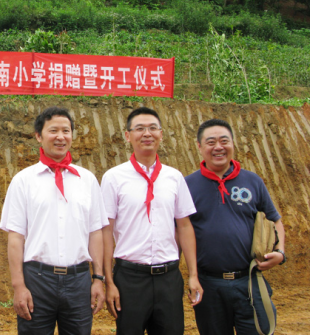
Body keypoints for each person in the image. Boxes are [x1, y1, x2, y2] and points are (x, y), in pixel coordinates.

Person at [0, 106, 109, 335]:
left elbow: (95, 233)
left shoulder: (87, 180)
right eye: (53, 131)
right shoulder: (23, 181)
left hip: (79, 280)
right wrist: (18, 285)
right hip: (37, 281)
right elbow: (16, 238)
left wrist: (98, 278)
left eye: (66, 131)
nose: (61, 137)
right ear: (39, 136)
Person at [101, 106, 203, 335]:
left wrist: (193, 275)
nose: (147, 133)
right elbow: (106, 231)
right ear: (128, 136)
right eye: (139, 128)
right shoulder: (113, 178)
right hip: (130, 279)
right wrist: (109, 282)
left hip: (169, 277)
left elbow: (184, 226)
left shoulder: (174, 177)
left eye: (152, 128)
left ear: (161, 134)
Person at [185, 118, 286, 335]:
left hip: (249, 280)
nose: (218, 147)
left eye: (224, 141)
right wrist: (191, 275)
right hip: (208, 284)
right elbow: (181, 231)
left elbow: (274, 219)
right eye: (211, 142)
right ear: (199, 147)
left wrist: (280, 252)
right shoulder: (187, 185)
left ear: (233, 143)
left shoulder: (252, 181)